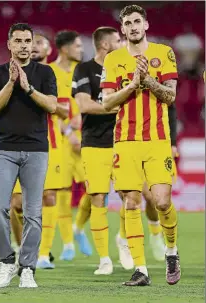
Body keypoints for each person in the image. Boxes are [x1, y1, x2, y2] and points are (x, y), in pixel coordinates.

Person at [101, 5, 180, 286]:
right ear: (122, 29)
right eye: (127, 23)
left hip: (158, 140)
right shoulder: (113, 59)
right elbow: (107, 102)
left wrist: (147, 80)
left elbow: (170, 96)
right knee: (131, 202)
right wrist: (133, 84)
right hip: (125, 140)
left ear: (145, 25)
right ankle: (141, 269)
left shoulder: (163, 53)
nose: (133, 26)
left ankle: (171, 250)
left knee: (162, 201)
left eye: (137, 21)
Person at [0, 23, 57, 288]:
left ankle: (28, 267)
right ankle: (6, 262)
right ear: (10, 45)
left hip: (37, 150)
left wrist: (28, 88)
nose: (25, 45)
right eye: (19, 41)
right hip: (4, 149)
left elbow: (52, 105)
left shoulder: (45, 72)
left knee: (33, 213)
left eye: (28, 41)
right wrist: (12, 83)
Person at [10, 33, 68, 269]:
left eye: (39, 43)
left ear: (49, 49)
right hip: (18, 143)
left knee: (48, 197)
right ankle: (22, 245)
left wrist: (38, 97)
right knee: (16, 203)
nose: (33, 47)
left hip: (50, 143)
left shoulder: (55, 75)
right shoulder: (12, 73)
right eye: (29, 43)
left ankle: (43, 253)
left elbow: (64, 110)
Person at [72, 27, 122, 275]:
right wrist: (115, 108)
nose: (122, 43)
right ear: (104, 45)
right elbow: (84, 104)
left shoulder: (125, 68)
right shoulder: (84, 69)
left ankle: (124, 238)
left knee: (131, 196)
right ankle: (104, 259)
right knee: (97, 198)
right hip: (94, 142)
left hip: (124, 141)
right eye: (118, 40)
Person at [49, 30, 86, 261]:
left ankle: (78, 227)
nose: (81, 50)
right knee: (62, 193)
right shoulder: (49, 72)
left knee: (95, 191)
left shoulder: (83, 72)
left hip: (86, 139)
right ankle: (68, 244)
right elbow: (50, 107)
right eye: (78, 46)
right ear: (65, 48)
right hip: (61, 140)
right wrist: (68, 130)